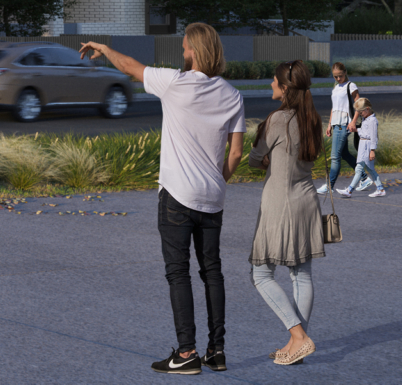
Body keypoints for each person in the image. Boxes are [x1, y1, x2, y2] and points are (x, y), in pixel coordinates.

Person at [79, 23, 247, 375]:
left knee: (179, 273)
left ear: (196, 52)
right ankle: (217, 351)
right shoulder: (233, 95)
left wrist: (104, 49)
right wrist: (216, 181)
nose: (182, 54)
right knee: (212, 272)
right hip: (213, 197)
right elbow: (234, 155)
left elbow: (130, 67)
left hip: (177, 197)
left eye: (186, 49)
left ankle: (186, 354)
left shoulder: (175, 83)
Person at [245, 59, 323, 366]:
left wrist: (267, 161)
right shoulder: (312, 118)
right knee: (301, 275)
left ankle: (299, 337)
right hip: (306, 200)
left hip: (280, 204)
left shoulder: (278, 120)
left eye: (274, 80)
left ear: (285, 87)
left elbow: (254, 159)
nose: (270, 84)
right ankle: (296, 345)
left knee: (261, 274)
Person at [318, 62, 361, 195]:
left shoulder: (351, 86)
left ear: (345, 72)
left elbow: (359, 105)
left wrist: (353, 122)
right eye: (335, 77)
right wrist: (329, 124)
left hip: (345, 124)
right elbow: (334, 107)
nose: (338, 79)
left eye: (340, 76)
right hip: (336, 123)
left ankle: (329, 185)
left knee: (335, 156)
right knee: (344, 154)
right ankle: (364, 177)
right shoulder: (336, 87)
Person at [346, 100, 384, 198]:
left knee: (368, 169)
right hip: (362, 145)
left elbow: (373, 137)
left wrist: (372, 151)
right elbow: (364, 131)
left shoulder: (372, 121)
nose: (360, 114)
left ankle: (349, 190)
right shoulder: (365, 118)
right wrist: (357, 130)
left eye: (361, 112)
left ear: (367, 109)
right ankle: (379, 189)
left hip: (367, 146)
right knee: (361, 168)